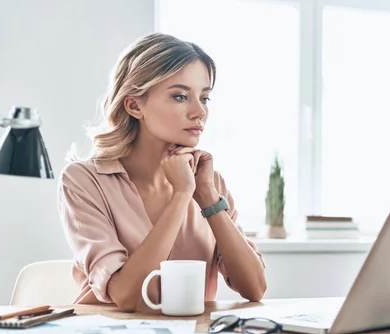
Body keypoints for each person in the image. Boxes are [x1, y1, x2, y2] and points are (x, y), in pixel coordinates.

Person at [57, 33, 267, 312]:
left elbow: (254, 288)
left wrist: (207, 199)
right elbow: (129, 296)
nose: (199, 112)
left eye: (204, 98)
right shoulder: (83, 181)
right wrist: (182, 195)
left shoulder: (209, 181)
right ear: (134, 105)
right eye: (180, 96)